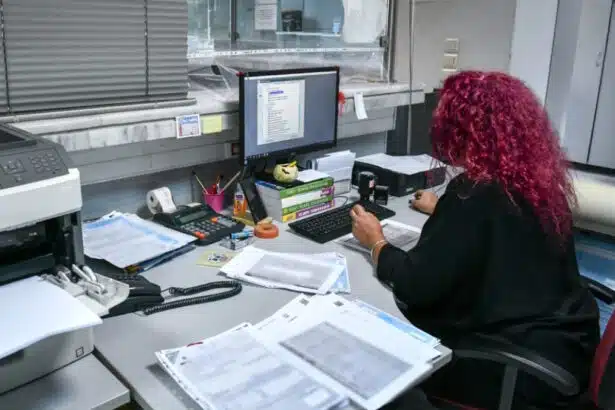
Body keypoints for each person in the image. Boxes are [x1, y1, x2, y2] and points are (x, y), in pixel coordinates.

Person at [350, 71, 599, 409]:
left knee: (377, 355)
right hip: (568, 345)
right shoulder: (536, 185)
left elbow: (415, 284)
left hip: (514, 370)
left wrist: (375, 241)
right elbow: (507, 231)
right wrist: (445, 209)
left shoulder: (473, 195)